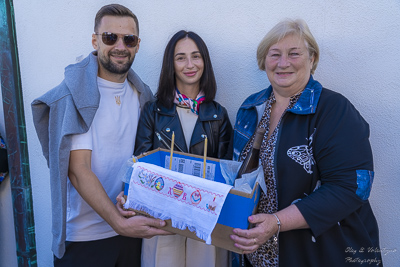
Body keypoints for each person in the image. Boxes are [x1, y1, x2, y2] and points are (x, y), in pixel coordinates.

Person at [229, 19, 382, 266]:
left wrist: (277, 222)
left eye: (294, 54)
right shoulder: (251, 108)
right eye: (274, 54)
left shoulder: (334, 110)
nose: (283, 63)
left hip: (320, 254)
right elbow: (235, 177)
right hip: (257, 254)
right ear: (263, 61)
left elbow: (351, 187)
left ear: (311, 59)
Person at [31, 4, 170, 266]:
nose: (120, 46)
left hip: (132, 230)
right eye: (110, 38)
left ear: (137, 44)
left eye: (128, 39)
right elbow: (78, 170)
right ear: (95, 40)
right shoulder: (74, 95)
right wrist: (119, 224)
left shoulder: (143, 96)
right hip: (85, 239)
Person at [133, 30, 232, 267]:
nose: (190, 65)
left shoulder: (218, 115)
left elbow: (228, 174)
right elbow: (141, 165)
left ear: (204, 62)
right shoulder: (152, 111)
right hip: (162, 220)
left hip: (205, 220)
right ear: (171, 64)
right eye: (181, 58)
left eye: (196, 56)